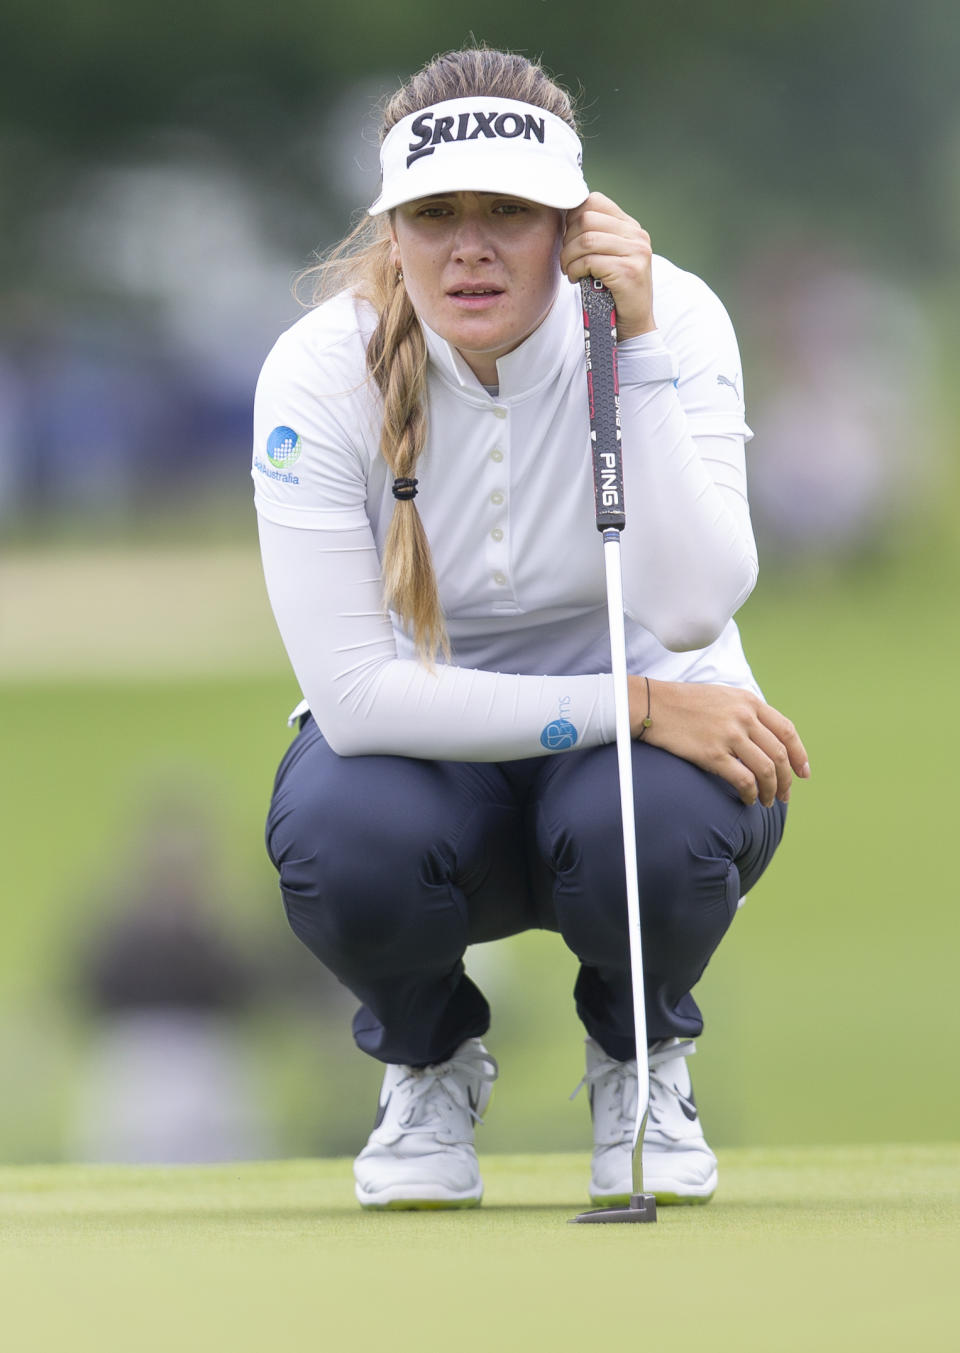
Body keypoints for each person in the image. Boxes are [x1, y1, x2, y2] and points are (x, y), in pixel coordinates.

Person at [253, 47, 809, 1211]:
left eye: (508, 212)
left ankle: (639, 1058)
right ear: (389, 230)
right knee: (342, 835)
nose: (469, 247)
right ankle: (428, 1061)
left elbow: (698, 606)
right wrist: (645, 703)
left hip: (641, 788)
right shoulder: (318, 371)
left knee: (645, 820)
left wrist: (643, 351)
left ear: (574, 224)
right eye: (433, 215)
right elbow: (355, 699)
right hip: (428, 777)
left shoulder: (675, 322)